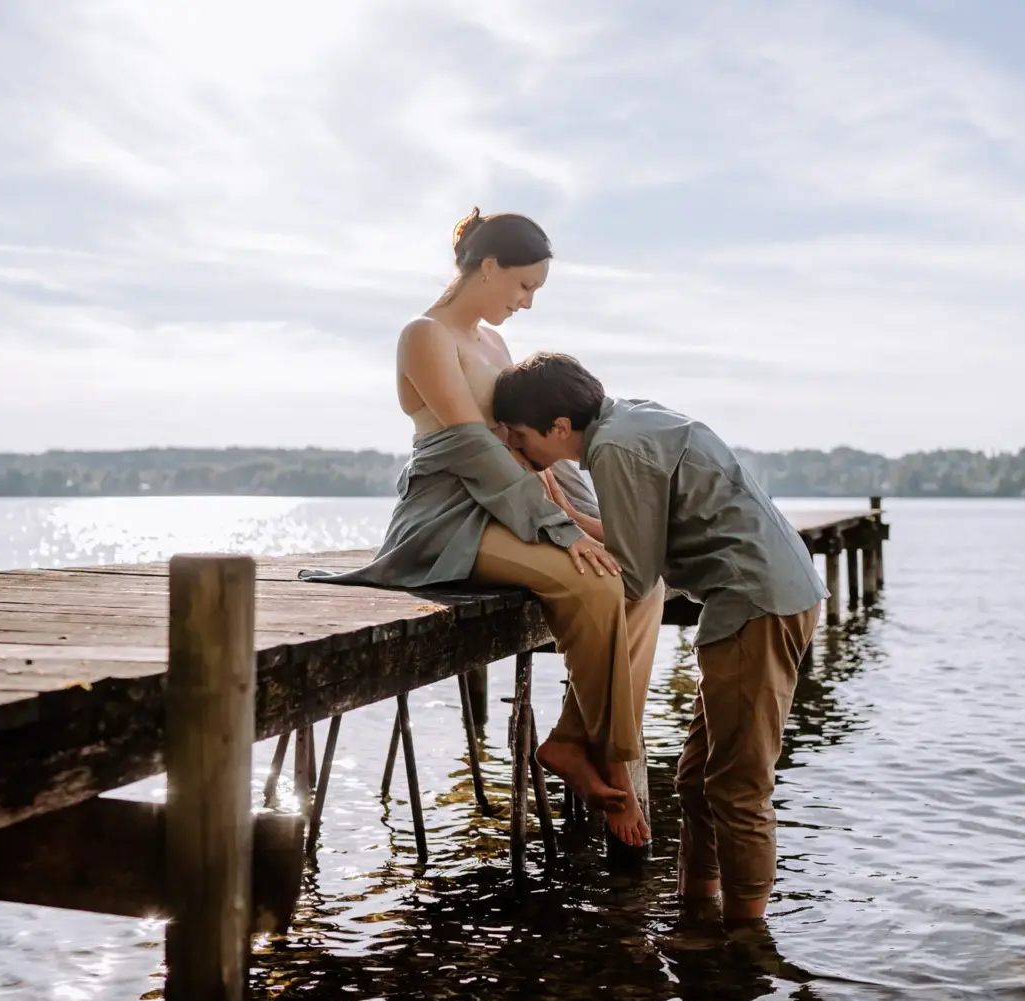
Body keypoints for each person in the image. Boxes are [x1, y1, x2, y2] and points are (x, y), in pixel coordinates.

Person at [300, 210, 663, 846]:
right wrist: (560, 530)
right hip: (446, 518)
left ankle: (575, 742)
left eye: (535, 293)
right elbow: (473, 447)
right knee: (594, 585)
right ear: (488, 266)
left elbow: (521, 440)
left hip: (511, 501)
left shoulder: (494, 346)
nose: (526, 303)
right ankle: (614, 760)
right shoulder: (424, 335)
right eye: (523, 286)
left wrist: (585, 514)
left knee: (641, 582)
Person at [490, 352, 826, 922]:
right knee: (695, 779)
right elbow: (642, 544)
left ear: (561, 429)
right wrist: (569, 511)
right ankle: (696, 913)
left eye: (521, 438)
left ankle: (745, 940)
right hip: (758, 595)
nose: (518, 450)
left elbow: (637, 574)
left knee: (738, 786)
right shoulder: (630, 420)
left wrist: (557, 519)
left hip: (757, 601)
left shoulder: (615, 449)